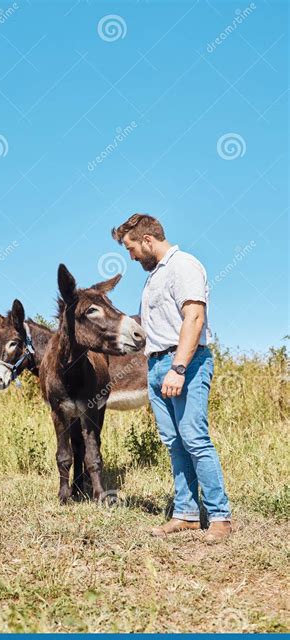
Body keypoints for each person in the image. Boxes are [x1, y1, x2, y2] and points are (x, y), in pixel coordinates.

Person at [112, 213, 232, 543]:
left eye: (131, 248)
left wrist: (179, 368)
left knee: (194, 437)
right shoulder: (154, 277)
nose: (131, 255)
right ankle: (187, 514)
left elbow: (194, 318)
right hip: (155, 365)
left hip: (185, 364)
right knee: (175, 444)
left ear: (147, 240)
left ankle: (220, 516)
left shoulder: (184, 266)